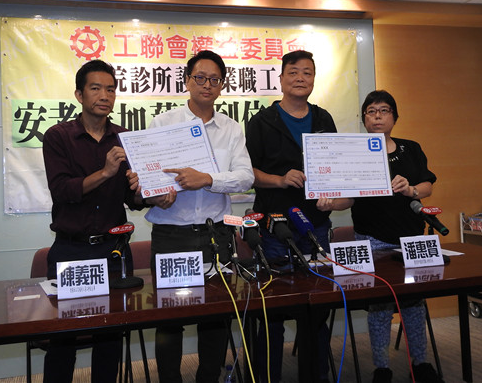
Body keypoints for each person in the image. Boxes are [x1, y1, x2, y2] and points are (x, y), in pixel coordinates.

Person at [144, 50, 254, 383]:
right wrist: (156, 192)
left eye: (214, 79)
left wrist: (207, 179)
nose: (207, 85)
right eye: (200, 78)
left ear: (222, 85)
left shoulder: (231, 129)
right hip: (171, 235)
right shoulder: (163, 124)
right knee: (169, 319)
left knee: (216, 316)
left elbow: (245, 177)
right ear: (187, 81)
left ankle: (208, 378)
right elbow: (149, 174)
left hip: (215, 235)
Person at [245, 50, 351, 383]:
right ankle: (268, 377)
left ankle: (316, 375)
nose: (300, 78)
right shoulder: (262, 121)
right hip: (274, 231)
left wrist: (333, 196)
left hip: (316, 227)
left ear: (314, 79)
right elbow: (247, 172)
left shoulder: (323, 119)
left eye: (307, 72)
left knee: (317, 307)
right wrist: (280, 179)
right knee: (273, 311)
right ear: (280, 79)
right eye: (293, 72)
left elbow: (334, 166)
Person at [42, 59, 146, 383]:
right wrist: (105, 172)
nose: (105, 95)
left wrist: (146, 191)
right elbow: (62, 191)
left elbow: (132, 200)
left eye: (111, 89)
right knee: (63, 339)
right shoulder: (59, 136)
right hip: (72, 251)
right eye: (96, 88)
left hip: (114, 252)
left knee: (110, 338)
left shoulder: (125, 138)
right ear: (79, 94)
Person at [346, 89, 444, 383]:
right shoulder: (353, 152)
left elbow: (427, 186)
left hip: (412, 238)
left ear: (394, 116)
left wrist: (411, 189)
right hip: (372, 238)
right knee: (379, 308)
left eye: (384, 110)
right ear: (364, 118)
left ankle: (421, 363)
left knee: (414, 305)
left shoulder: (411, 148)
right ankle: (382, 367)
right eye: (371, 111)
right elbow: (347, 197)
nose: (377, 116)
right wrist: (327, 201)